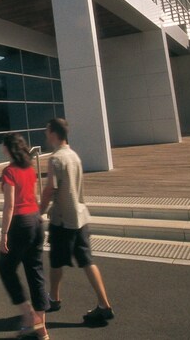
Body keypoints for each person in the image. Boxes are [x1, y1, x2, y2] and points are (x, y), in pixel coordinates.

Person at [39, 118, 114, 324]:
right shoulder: (74, 156)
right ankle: (103, 303)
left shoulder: (55, 159)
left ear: (54, 133)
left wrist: (40, 211)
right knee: (87, 261)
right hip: (80, 216)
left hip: (62, 219)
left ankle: (53, 299)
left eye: (47, 130)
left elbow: (50, 189)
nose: (46, 134)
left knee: (56, 260)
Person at [0, 133, 50, 340]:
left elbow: (9, 205)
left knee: (5, 267)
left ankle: (29, 316)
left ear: (9, 149)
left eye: (3, 145)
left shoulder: (9, 171)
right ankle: (41, 328)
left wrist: (3, 235)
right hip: (35, 221)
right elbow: (34, 196)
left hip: (20, 224)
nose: (2, 148)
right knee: (35, 271)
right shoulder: (29, 169)